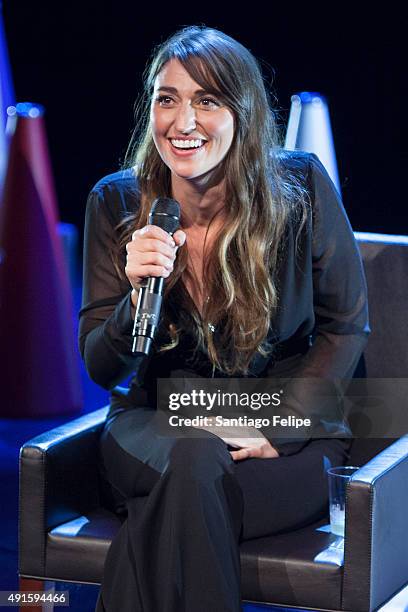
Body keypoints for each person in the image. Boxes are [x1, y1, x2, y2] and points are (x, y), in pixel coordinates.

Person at [79, 25, 369, 612]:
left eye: (206, 100)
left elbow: (345, 325)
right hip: (155, 423)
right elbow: (101, 367)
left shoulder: (301, 188)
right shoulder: (115, 202)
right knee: (190, 455)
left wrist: (278, 425)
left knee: (169, 508)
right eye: (167, 99)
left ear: (244, 113)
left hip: (280, 430)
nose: (182, 122)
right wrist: (138, 299)